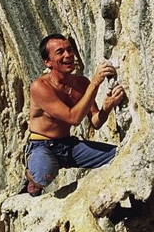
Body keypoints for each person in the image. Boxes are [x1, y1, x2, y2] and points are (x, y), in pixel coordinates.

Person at [24, 34, 125, 196]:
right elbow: (73, 118)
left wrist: (107, 108)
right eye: (60, 52)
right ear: (47, 62)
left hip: (68, 145)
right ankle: (32, 178)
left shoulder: (81, 83)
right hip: (43, 145)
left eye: (69, 50)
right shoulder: (40, 87)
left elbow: (95, 122)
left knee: (118, 155)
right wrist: (95, 83)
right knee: (45, 174)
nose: (67, 55)